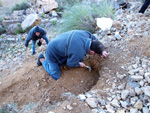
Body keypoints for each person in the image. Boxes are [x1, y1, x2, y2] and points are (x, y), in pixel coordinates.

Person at [37, 30, 108, 80]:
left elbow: (95, 39)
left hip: (60, 44)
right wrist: (78, 64)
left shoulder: (86, 34)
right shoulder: (78, 52)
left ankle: (62, 59)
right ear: (92, 52)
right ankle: (42, 60)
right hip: (52, 52)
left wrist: (101, 51)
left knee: (71, 55)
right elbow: (70, 63)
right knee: (56, 76)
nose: (94, 55)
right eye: (95, 54)